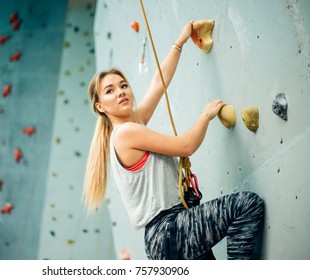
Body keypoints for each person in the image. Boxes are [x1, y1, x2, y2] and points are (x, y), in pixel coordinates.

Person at [83, 21, 264, 260]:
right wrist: (205, 116)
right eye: (110, 91)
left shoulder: (132, 126)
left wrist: (180, 41)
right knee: (246, 205)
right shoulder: (126, 133)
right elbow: (186, 146)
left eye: (123, 85)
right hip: (169, 231)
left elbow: (158, 83)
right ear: (100, 106)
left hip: (168, 235)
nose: (120, 92)